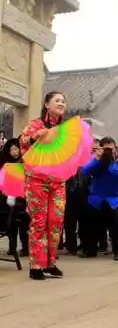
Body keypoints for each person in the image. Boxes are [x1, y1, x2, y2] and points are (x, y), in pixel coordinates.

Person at [20, 91, 68, 280]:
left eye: (63, 101)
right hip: (37, 179)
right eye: (57, 100)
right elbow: (22, 143)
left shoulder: (65, 129)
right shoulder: (35, 125)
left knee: (56, 222)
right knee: (39, 222)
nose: (61, 103)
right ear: (47, 105)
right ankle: (36, 265)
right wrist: (34, 137)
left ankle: (50, 262)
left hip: (58, 181)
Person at [81, 137, 118, 261]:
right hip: (96, 198)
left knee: (116, 227)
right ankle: (90, 250)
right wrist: (97, 159)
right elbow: (85, 170)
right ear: (101, 148)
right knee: (92, 226)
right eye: (105, 148)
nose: (108, 151)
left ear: (114, 147)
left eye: (110, 148)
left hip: (114, 199)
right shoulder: (96, 158)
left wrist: (111, 163)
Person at [0, 137, 29, 257]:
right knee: (12, 225)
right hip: (10, 198)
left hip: (24, 198)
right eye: (12, 150)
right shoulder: (6, 164)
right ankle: (12, 248)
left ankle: (25, 248)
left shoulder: (26, 162)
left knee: (24, 226)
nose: (15, 152)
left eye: (16, 149)